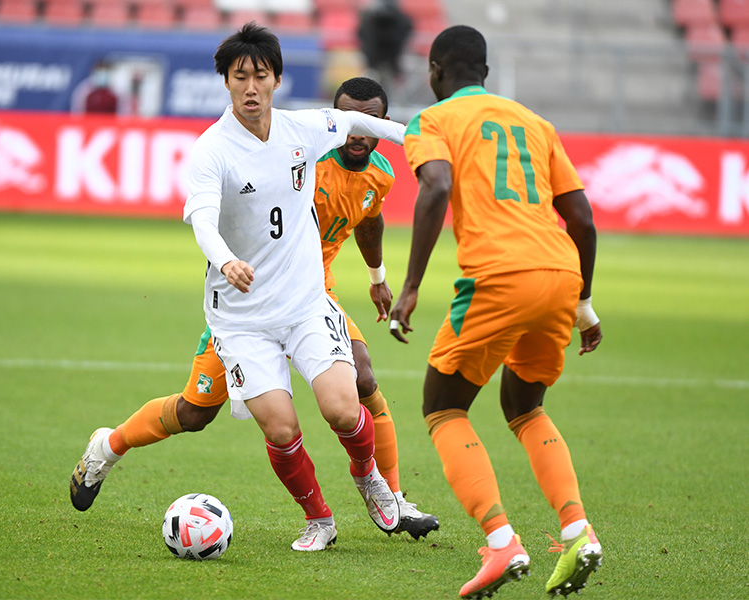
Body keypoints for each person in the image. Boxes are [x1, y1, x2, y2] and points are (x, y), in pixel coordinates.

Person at [72, 23, 408, 552]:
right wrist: (226, 260)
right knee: (210, 415)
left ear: (276, 79)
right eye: (239, 77)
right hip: (241, 316)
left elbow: (350, 119)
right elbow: (203, 218)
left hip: (304, 304)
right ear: (226, 83)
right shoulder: (212, 150)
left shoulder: (303, 130)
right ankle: (317, 519)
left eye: (260, 76)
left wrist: (422, 137)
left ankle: (372, 481)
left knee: (345, 407)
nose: (250, 87)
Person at [388, 25, 603, 598]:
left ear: (436, 71)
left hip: (497, 277)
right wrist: (583, 303)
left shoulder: (432, 121)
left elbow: (435, 188)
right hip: (560, 274)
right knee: (524, 403)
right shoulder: (536, 123)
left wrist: (409, 286)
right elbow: (581, 217)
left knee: (443, 406)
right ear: (484, 70)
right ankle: (577, 530)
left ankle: (501, 541)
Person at [357, 0, 413, 103]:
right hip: (376, 61)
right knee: (369, 90)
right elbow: (362, 34)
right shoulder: (370, 19)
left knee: (396, 93)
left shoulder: (399, 18)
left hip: (393, 61)